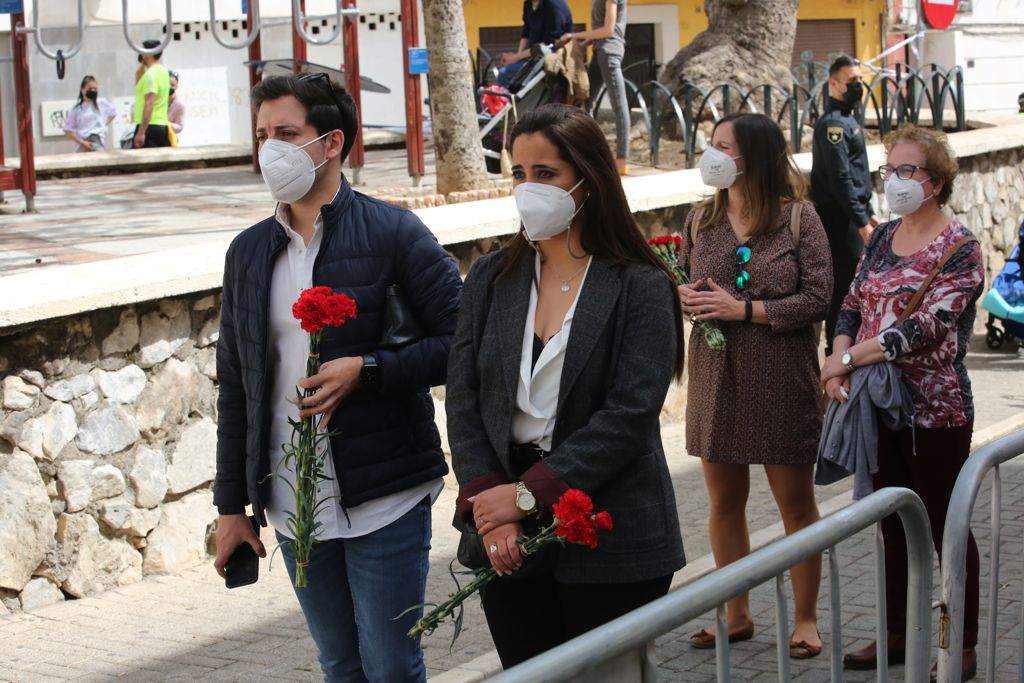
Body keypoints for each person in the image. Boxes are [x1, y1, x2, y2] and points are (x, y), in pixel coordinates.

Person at [212, 73, 462, 682]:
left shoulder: (394, 232)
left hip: (385, 495)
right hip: (294, 504)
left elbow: (465, 344)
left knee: (391, 665)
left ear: (331, 143)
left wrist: (370, 370)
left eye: (287, 134)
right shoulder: (248, 253)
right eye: (263, 134)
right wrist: (231, 507)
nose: (270, 148)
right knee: (339, 666)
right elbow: (236, 385)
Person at [447, 103, 686, 668]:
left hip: (613, 531)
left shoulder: (641, 284)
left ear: (588, 182)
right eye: (519, 174)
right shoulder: (490, 277)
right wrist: (492, 504)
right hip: (504, 532)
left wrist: (528, 496)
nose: (529, 188)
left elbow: (629, 415)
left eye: (546, 174)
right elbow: (463, 398)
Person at [824, 125, 984, 682]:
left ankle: (959, 644)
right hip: (875, 404)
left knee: (944, 524)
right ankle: (895, 632)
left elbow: (923, 328)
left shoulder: (961, 249)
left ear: (935, 182)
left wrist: (847, 360)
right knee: (889, 519)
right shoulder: (881, 237)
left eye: (907, 170)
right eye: (889, 169)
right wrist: (836, 350)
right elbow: (851, 302)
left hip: (934, 410)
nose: (894, 179)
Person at [681, 112, 832, 658]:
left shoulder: (799, 219)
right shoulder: (702, 219)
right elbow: (685, 280)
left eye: (725, 146)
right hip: (716, 378)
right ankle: (735, 613)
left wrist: (745, 310)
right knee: (725, 502)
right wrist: (686, 298)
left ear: (756, 157)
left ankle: (807, 620)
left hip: (781, 379)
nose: (713, 154)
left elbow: (818, 298)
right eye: (712, 144)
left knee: (795, 504)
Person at [811, 55, 879, 355]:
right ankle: (836, 357)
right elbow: (841, 180)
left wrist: (870, 214)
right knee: (843, 292)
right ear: (833, 83)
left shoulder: (848, 119)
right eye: (851, 81)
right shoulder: (834, 125)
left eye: (860, 80)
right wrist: (862, 222)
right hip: (840, 221)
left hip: (855, 215)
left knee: (857, 289)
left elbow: (857, 175)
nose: (858, 86)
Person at [558, 0, 629, 175]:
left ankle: (622, 160)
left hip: (609, 51)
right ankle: (586, 153)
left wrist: (575, 36)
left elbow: (608, 30)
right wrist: (581, 45)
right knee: (584, 103)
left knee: (619, 105)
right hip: (599, 51)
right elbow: (601, 31)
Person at [497, 0, 573, 88]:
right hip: (533, 57)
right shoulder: (528, 4)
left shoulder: (554, 5)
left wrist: (515, 58)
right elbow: (526, 32)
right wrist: (517, 57)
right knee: (506, 71)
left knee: (504, 74)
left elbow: (548, 44)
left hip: (552, 59)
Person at [132, 39, 172, 149]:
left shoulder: (151, 74)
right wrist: (142, 65)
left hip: (149, 126)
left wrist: (141, 132)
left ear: (148, 54)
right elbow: (139, 78)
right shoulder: (163, 72)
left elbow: (149, 103)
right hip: (161, 125)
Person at [62, 75, 117, 152]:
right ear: (82, 90)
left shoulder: (101, 103)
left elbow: (113, 112)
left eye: (95, 89)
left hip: (97, 140)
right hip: (82, 142)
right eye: (90, 89)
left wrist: (103, 123)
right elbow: (67, 129)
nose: (93, 91)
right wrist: (82, 142)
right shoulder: (76, 109)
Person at [167, 70, 186, 140]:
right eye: (167, 84)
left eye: (172, 85)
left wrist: (166, 125)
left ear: (177, 86)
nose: (169, 87)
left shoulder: (180, 104)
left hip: (170, 138)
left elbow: (180, 127)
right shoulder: (156, 99)